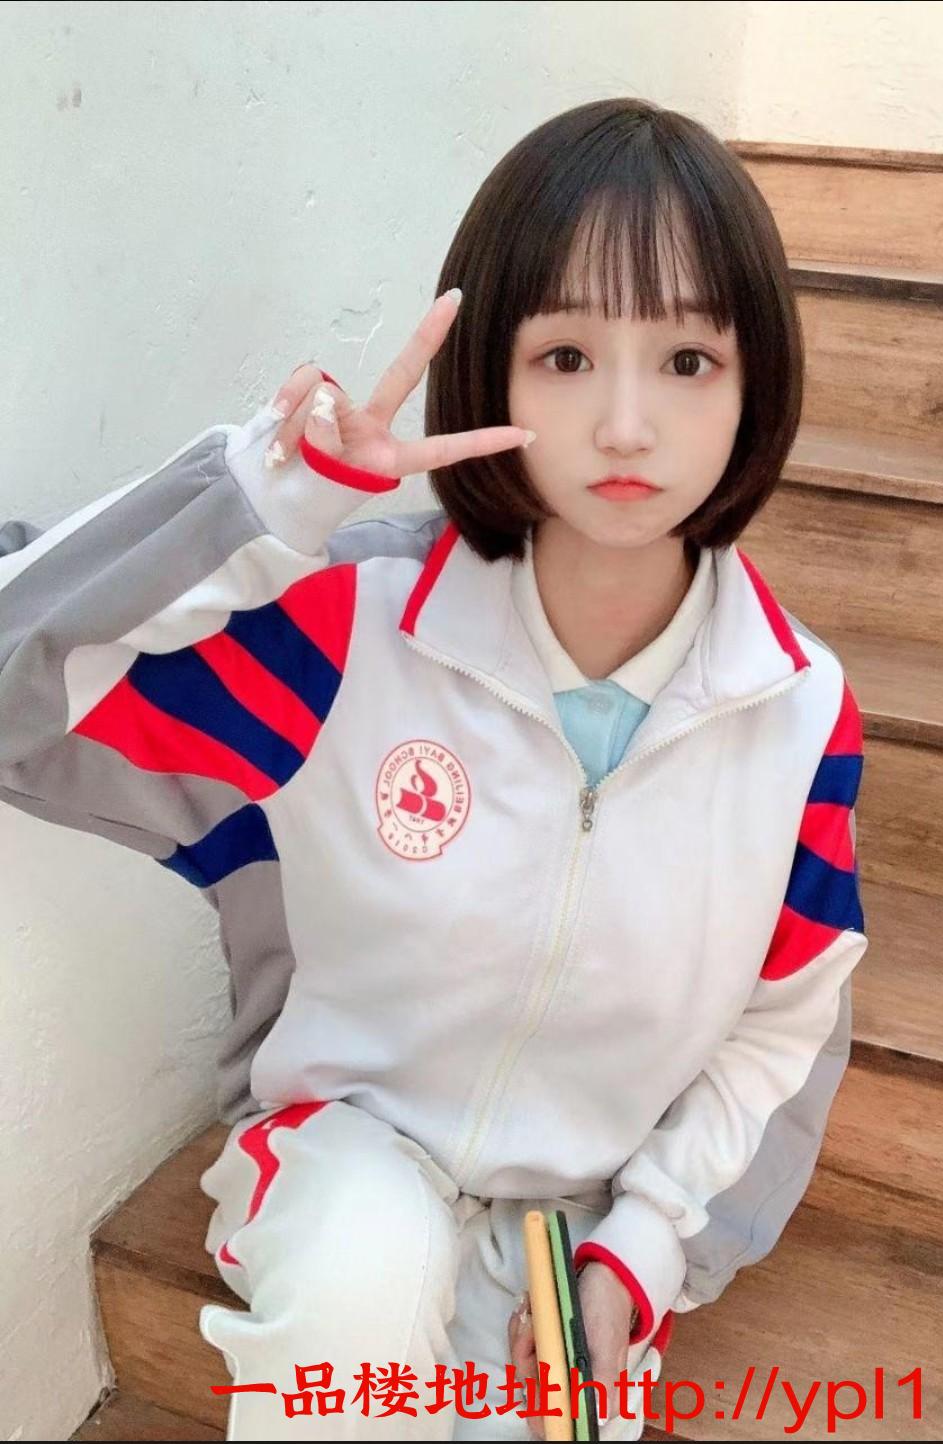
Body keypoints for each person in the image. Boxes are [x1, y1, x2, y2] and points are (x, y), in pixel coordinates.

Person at [0, 97, 867, 1441]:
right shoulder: (344, 629)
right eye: (566, 355)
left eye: (689, 360)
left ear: (757, 384)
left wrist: (645, 1250)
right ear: (490, 372)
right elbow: (20, 689)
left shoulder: (799, 711)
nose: (626, 425)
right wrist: (270, 502)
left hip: (582, 1224)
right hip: (341, 1154)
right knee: (355, 1288)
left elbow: (786, 1024)